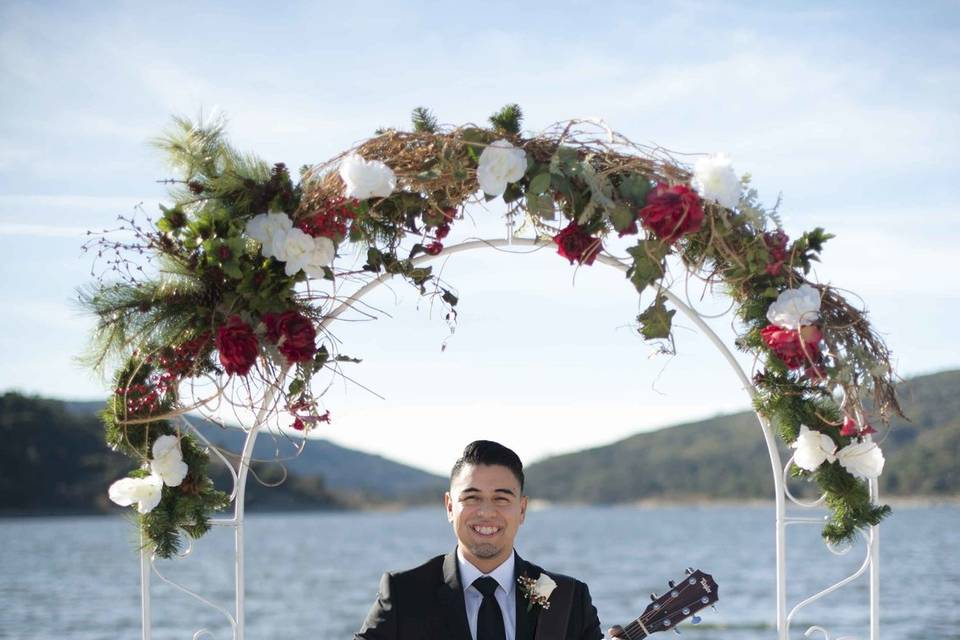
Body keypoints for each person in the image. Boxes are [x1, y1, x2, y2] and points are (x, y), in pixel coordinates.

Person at [354, 440, 606, 640]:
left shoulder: (566, 597)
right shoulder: (405, 594)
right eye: (472, 498)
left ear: (522, 509)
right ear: (450, 507)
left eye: (501, 498)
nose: (486, 512)